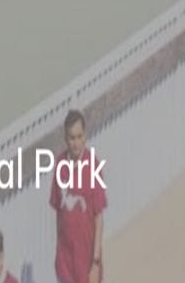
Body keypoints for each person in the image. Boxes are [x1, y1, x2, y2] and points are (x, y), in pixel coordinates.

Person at [49, 111, 105, 283]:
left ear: (85, 136)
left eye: (79, 136)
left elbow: (99, 217)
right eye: (72, 138)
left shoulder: (93, 166)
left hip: (87, 262)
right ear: (66, 139)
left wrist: (95, 263)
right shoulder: (60, 164)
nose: (76, 143)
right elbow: (58, 209)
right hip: (65, 262)